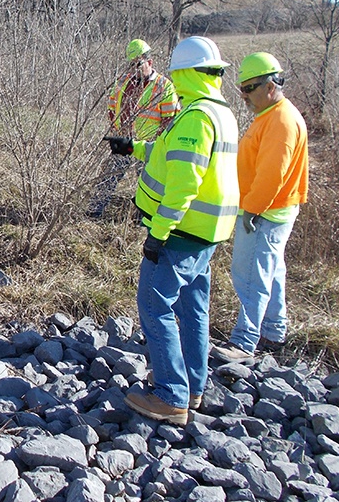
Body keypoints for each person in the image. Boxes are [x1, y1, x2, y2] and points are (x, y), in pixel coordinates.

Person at [106, 36, 240, 426]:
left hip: (181, 233)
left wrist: (158, 234)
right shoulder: (218, 112)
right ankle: (193, 387)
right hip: (207, 233)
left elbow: (184, 183)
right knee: (193, 309)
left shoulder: (195, 117)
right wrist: (134, 148)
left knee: (153, 303)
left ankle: (169, 395)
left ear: (183, 71)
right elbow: (170, 151)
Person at [210, 52, 309, 365]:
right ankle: (273, 331)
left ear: (271, 84)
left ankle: (244, 341)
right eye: (242, 89)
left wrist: (252, 209)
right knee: (271, 271)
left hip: (264, 212)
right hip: (272, 210)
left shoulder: (281, 120)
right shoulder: (271, 115)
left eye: (250, 88)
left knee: (250, 275)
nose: (245, 96)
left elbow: (272, 173)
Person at [86, 39, 180, 218]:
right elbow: (112, 107)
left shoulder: (164, 86)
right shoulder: (122, 82)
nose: (133, 69)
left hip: (149, 146)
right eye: (130, 65)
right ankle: (93, 212)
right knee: (108, 177)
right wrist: (117, 131)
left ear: (149, 62)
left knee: (148, 185)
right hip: (125, 141)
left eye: (138, 64)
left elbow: (171, 120)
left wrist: (158, 144)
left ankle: (143, 218)